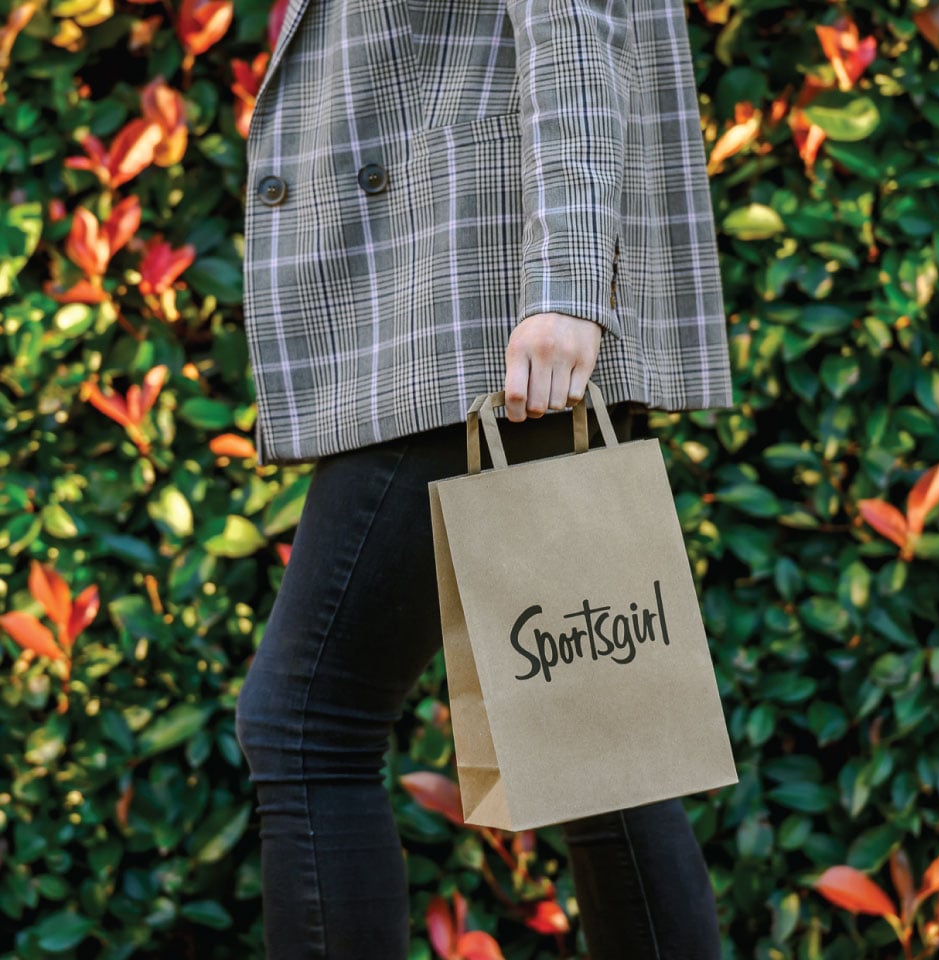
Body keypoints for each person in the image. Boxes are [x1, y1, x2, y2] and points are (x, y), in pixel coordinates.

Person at [234, 0, 735, 957]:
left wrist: (568, 285)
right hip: (496, 324)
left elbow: (577, 28)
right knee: (599, 749)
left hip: (490, 323)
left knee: (306, 724)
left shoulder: (537, 307)